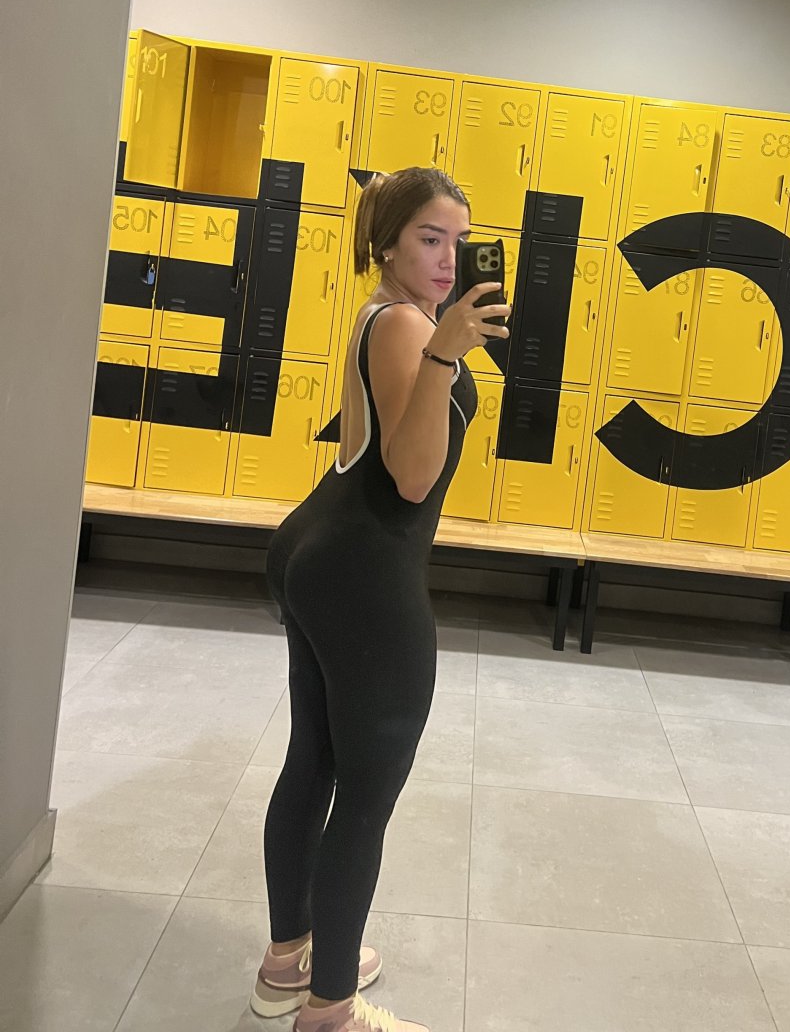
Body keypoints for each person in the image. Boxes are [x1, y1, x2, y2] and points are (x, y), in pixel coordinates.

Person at [251, 166, 510, 1032]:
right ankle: (331, 1009)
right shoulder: (408, 327)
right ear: (389, 243)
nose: (448, 259)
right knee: (366, 793)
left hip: (318, 549)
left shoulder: (381, 311)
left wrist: (444, 347)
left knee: (313, 761)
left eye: (459, 241)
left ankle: (289, 961)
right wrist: (445, 356)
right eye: (430, 239)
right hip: (364, 572)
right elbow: (412, 475)